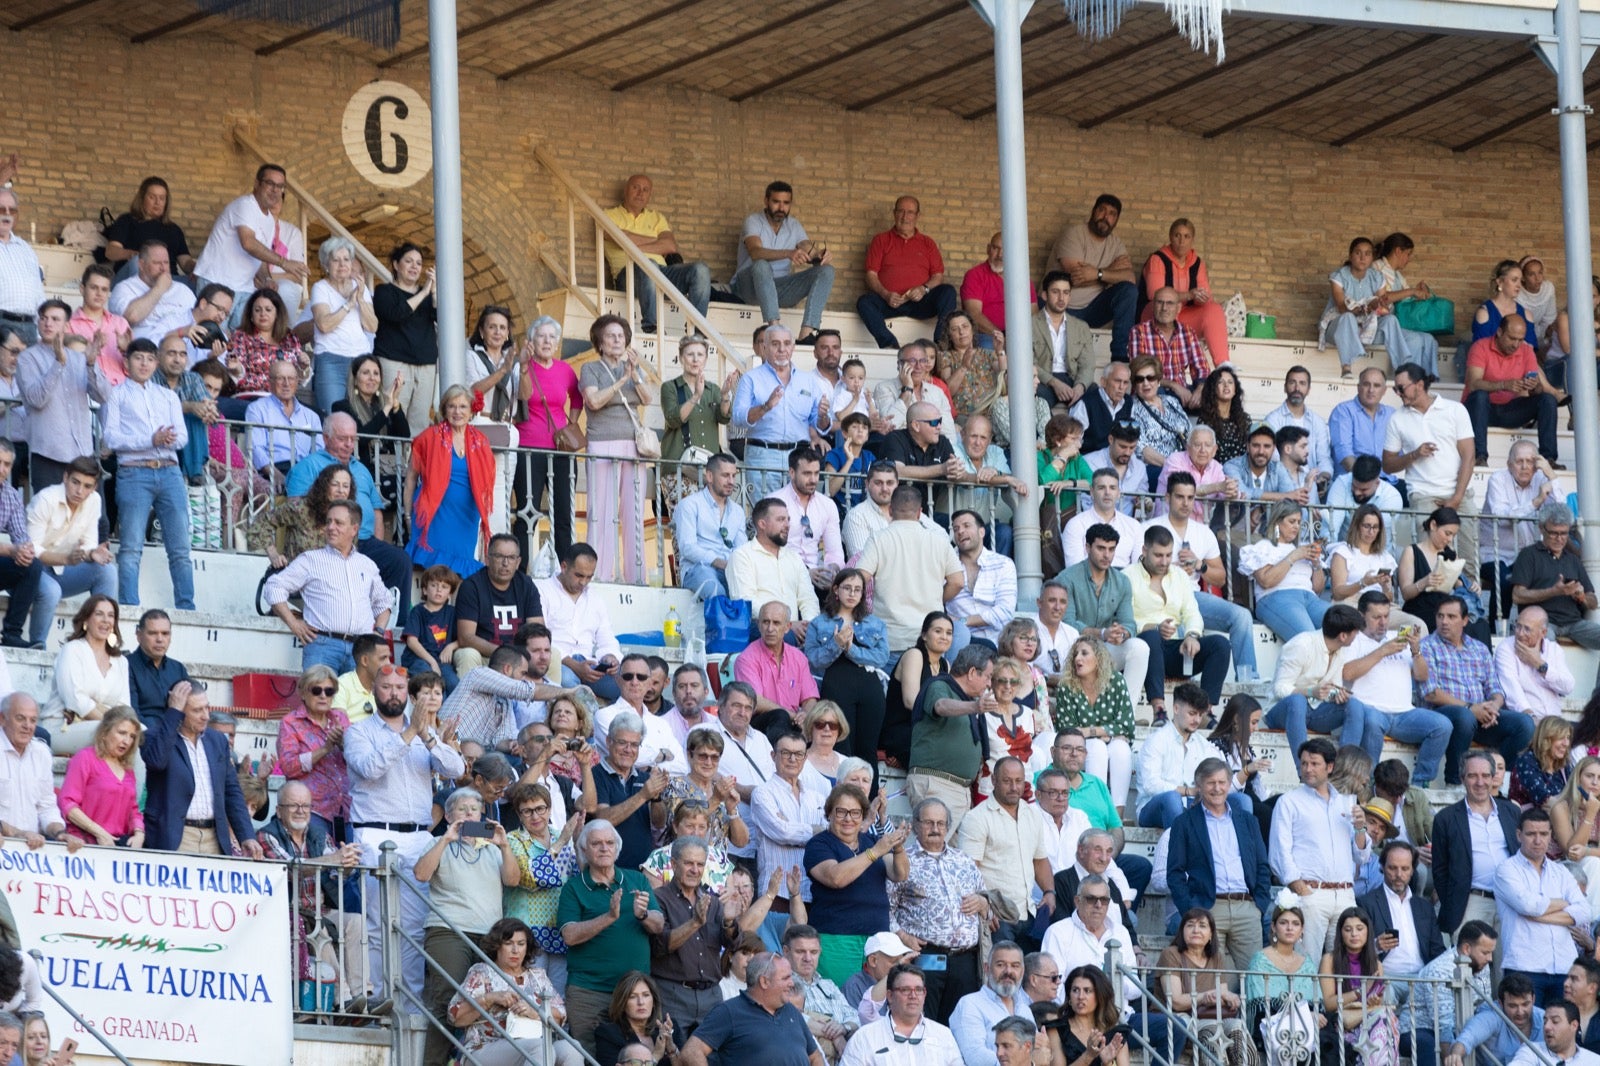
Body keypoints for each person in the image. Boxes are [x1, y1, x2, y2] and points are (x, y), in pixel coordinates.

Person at [345, 669, 464, 1001]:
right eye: (386, 687)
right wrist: (409, 733)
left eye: (400, 687)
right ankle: (379, 1002)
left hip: (417, 836)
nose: (394, 693)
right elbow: (369, 769)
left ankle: (409, 1008)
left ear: (408, 694)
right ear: (374, 691)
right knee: (377, 924)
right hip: (374, 833)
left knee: (413, 928)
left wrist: (427, 737)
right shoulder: (359, 732)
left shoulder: (424, 734)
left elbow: (456, 770)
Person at [416, 784, 520, 1066]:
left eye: (474, 810)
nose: (469, 814)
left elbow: (512, 880)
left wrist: (505, 844)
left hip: (489, 934)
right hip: (448, 930)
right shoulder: (440, 843)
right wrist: (445, 839)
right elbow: (421, 874)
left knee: (489, 1001)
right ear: (449, 817)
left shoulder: (493, 847)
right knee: (448, 999)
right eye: (462, 810)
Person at [557, 819, 664, 1054]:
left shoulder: (637, 879)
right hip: (588, 992)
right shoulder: (574, 888)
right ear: (584, 850)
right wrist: (608, 917)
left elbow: (658, 925)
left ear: (617, 848)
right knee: (589, 1057)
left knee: (636, 1055)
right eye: (596, 844)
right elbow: (570, 936)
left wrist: (643, 914)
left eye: (609, 843)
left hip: (633, 994)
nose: (604, 848)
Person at [104, 338, 193, 610]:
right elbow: (110, 438)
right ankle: (129, 605)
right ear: (127, 362)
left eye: (149, 359)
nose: (144, 364)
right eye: (138, 358)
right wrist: (150, 440)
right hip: (134, 473)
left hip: (169, 471)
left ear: (156, 363)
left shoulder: (168, 396)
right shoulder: (116, 395)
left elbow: (182, 437)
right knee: (131, 548)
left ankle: (187, 604)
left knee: (180, 549)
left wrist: (165, 440)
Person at [1269, 737, 1371, 963]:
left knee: (1347, 964)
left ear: (1330, 767)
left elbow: (1361, 855)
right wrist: (1301, 888)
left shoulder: (1348, 801)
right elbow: (1279, 852)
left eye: (1314, 763)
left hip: (1345, 893)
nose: (1308, 769)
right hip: (1311, 893)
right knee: (1307, 963)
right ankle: (1307, 1001)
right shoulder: (1289, 801)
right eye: (1304, 763)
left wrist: (1361, 828)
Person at [885, 797, 986, 1024]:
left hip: (965, 960)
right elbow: (887, 908)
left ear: (948, 827)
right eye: (928, 823)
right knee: (923, 1021)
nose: (935, 829)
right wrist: (902, 936)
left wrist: (982, 902)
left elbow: (985, 897)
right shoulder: (902, 860)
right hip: (926, 956)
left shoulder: (964, 860)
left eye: (941, 824)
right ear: (915, 825)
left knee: (961, 1023)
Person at [262, 499, 391, 672]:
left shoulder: (366, 564)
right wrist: (294, 624)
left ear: (354, 529)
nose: (331, 527)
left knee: (359, 700)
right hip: (322, 646)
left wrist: (379, 632)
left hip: (361, 649)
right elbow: (273, 587)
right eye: (329, 521)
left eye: (338, 523)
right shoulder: (311, 559)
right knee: (320, 699)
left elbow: (384, 602)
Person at [1167, 757, 1271, 970]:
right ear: (1199, 786)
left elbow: (1262, 865)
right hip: (1209, 909)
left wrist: (1259, 905)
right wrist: (1190, 910)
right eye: (1210, 783)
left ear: (1229, 783)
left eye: (1222, 782)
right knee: (1213, 983)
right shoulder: (1184, 822)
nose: (1217, 788)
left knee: (1255, 979)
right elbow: (1175, 873)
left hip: (1247, 908)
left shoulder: (1248, 821)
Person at [1420, 595, 1536, 784]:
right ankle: (1454, 781)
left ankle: (1496, 777)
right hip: (1445, 714)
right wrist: (1470, 708)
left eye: (1451, 616)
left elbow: (1495, 688)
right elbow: (1431, 692)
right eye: (1440, 616)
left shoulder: (1479, 648)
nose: (1444, 622)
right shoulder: (1427, 646)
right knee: (1464, 717)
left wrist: (1494, 707)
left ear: (1465, 620)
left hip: (1481, 715)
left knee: (1525, 724)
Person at [1341, 593, 1453, 787]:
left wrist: (1416, 651)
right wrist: (1382, 651)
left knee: (1443, 725)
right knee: (1373, 721)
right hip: (1370, 708)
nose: (1383, 622)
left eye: (1386, 616)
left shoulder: (1397, 638)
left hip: (1404, 714)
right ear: (1361, 615)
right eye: (1376, 617)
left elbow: (1422, 676)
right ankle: (1369, 783)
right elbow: (1348, 673)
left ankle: (1420, 784)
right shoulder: (1354, 639)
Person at [141, 679, 261, 857]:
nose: (206, 716)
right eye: (197, 710)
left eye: (207, 707)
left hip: (214, 837)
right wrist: (173, 713)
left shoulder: (218, 740)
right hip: (175, 837)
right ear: (179, 710)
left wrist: (247, 836)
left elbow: (231, 791)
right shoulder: (153, 736)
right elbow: (157, 761)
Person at [805, 784, 908, 985]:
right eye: (841, 812)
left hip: (877, 938)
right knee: (840, 999)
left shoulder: (871, 841)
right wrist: (875, 853)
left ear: (863, 816)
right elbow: (836, 878)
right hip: (837, 938)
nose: (848, 819)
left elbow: (900, 874)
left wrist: (898, 848)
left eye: (855, 813)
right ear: (829, 814)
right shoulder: (819, 844)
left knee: (877, 1002)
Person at [445, 916, 581, 1066]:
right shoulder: (482, 972)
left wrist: (534, 1011)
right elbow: (454, 1016)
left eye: (521, 944)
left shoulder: (537, 975)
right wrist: (489, 998)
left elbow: (561, 1015)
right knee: (539, 1048)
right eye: (508, 943)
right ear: (497, 946)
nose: (515, 950)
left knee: (572, 1048)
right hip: (486, 1047)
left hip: (535, 1042)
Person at [1384, 363, 1478, 574]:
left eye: (1401, 388)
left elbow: (1469, 456)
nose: (1398, 393)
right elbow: (1388, 465)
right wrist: (1414, 454)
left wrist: (1456, 498)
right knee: (1429, 562)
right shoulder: (1397, 418)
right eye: (1395, 389)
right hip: (1424, 495)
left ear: (1419, 384)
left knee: (1468, 559)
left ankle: (1469, 604)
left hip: (1459, 494)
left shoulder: (1455, 409)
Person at [1128, 525, 1231, 716]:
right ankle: (1159, 709)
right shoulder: (1127, 576)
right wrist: (1153, 627)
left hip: (1176, 650)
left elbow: (1192, 613)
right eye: (1158, 555)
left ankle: (1205, 712)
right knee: (1150, 638)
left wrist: (1192, 635)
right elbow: (1124, 621)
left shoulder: (1180, 576)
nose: (1165, 561)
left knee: (1220, 644)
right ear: (1144, 550)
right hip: (1144, 651)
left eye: (1168, 555)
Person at [1498, 808, 1590, 1005]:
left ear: (1551, 835)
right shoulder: (1506, 869)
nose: (1538, 840)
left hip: (1565, 967)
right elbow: (1527, 905)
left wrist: (1538, 914)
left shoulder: (1562, 872)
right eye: (1531, 834)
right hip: (1524, 966)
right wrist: (1564, 904)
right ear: (1518, 835)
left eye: (1543, 834)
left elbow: (1584, 911)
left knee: (1564, 1032)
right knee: (1526, 1033)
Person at [857, 484, 963, 653]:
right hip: (930, 638)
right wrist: (936, 597)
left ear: (891, 510)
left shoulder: (878, 539)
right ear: (920, 512)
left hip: (890, 638)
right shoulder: (939, 540)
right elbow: (957, 582)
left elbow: (859, 579)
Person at [19, 300, 110, 490]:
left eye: (54, 319)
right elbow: (36, 399)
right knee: (50, 517)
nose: (47, 323)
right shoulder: (27, 358)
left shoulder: (79, 358)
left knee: (96, 519)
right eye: (43, 318)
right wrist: (58, 363)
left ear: (66, 325)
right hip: (48, 454)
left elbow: (102, 396)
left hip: (83, 453)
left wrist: (92, 364)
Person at [405, 383, 494, 577]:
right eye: (452, 406)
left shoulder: (481, 441)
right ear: (444, 409)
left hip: (466, 516)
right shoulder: (428, 437)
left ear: (471, 411)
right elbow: (411, 477)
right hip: (435, 514)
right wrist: (407, 515)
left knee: (459, 574)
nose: (457, 411)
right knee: (432, 572)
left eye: (462, 406)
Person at [604, 174, 711, 334]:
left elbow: (670, 246)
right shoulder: (609, 215)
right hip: (627, 275)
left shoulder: (657, 218)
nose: (640, 193)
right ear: (626, 190)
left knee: (701, 269)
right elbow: (617, 238)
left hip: (661, 273)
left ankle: (697, 332)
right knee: (649, 264)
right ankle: (651, 327)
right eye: (636, 187)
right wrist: (654, 241)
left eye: (645, 190)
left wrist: (630, 242)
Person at [803, 568, 889, 766]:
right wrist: (836, 645)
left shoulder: (875, 623)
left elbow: (881, 657)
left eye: (857, 589)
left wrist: (850, 649)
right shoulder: (819, 623)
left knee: (868, 751)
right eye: (847, 588)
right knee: (841, 749)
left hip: (870, 688)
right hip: (837, 686)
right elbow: (813, 660)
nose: (852, 594)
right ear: (836, 590)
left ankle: (870, 797)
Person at [732, 323, 830, 496]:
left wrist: (823, 416)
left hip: (799, 457)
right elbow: (738, 417)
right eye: (775, 344)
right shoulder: (751, 378)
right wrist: (765, 407)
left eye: (786, 343)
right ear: (764, 347)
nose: (782, 349)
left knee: (799, 513)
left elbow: (820, 424)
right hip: (763, 456)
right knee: (765, 514)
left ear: (793, 347)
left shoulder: (807, 380)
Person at [731, 181, 835, 343]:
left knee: (827, 271)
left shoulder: (793, 225)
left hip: (780, 290)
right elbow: (755, 252)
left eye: (786, 203)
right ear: (766, 201)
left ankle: (806, 334)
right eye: (776, 202)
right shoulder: (753, 221)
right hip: (750, 288)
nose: (781, 208)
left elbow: (806, 246)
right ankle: (775, 329)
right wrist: (788, 253)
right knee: (761, 265)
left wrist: (818, 255)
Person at [679, 952, 825, 1066]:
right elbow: (691, 1052)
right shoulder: (729, 1012)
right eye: (785, 978)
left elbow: (815, 1056)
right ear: (764, 982)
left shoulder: (791, 1011)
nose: (792, 983)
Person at [512, 316, 579, 554]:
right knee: (527, 511)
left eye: (552, 336)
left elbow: (577, 397)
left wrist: (571, 423)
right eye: (541, 336)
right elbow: (523, 395)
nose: (547, 341)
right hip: (529, 448)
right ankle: (521, 568)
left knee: (563, 513)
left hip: (561, 450)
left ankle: (564, 565)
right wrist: (523, 365)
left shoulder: (565, 370)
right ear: (532, 340)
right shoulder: (523, 367)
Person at [856, 196, 958, 349]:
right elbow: (871, 275)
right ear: (894, 213)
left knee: (948, 292)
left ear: (917, 216)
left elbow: (938, 276)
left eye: (910, 212)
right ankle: (890, 344)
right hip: (890, 301)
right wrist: (886, 294)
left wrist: (924, 289)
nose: (905, 217)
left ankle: (940, 344)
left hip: (920, 302)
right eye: (901, 211)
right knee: (864, 302)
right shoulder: (881, 240)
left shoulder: (927, 243)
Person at [1155, 909, 1253, 1066]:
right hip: (1177, 1018)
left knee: (1237, 1026)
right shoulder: (1170, 954)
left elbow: (1222, 994)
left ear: (1211, 934)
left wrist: (1230, 998)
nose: (1196, 930)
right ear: (1182, 931)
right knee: (1212, 1030)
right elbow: (1176, 1002)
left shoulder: (1216, 957)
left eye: (1202, 926)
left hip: (1208, 1015)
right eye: (1190, 925)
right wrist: (1206, 996)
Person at [1134, 684, 1240, 828]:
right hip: (1154, 807)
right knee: (1172, 799)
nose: (1197, 720)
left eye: (1200, 715)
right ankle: (1181, 848)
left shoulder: (1203, 745)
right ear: (1176, 709)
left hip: (1193, 805)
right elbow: (1150, 785)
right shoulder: (1157, 740)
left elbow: (1222, 776)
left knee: (1241, 800)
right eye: (1192, 713)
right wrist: (1186, 791)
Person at [1465, 313, 1564, 467]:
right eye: (1512, 338)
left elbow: (1536, 389)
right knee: (1479, 396)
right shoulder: (1480, 347)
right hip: (1482, 410)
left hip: (1511, 409)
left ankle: (1548, 459)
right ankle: (1479, 457)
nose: (1516, 344)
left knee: (1547, 399)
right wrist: (1503, 385)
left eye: (1520, 339)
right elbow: (1473, 384)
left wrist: (1533, 387)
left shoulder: (1526, 351)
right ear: (1499, 332)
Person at [1051, 193, 1137, 362]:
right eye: (1102, 210)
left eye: (1112, 214)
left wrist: (1098, 273)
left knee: (1129, 291)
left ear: (1117, 220)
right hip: (1063, 308)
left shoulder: (1116, 244)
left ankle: (1120, 357)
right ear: (1093, 211)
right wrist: (1111, 273)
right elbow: (1074, 278)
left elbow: (1130, 278)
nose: (1106, 217)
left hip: (1093, 310)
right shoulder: (1074, 234)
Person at [41, 595, 130, 755]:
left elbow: (124, 707)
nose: (106, 620)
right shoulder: (73, 650)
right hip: (63, 728)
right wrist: (112, 722)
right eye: (99, 614)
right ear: (86, 620)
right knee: (119, 736)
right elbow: (75, 700)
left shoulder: (121, 661)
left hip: (105, 729)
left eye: (111, 615)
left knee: (141, 731)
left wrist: (106, 715)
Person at [1321, 236, 1418, 378]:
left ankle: (1402, 369)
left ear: (1372, 257)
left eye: (1367, 254)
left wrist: (1378, 305)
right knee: (1348, 317)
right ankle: (1346, 367)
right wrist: (1362, 309)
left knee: (1390, 320)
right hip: (1338, 329)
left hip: (1366, 330)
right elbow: (1342, 308)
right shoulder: (1339, 276)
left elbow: (1383, 306)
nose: (1362, 257)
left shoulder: (1376, 277)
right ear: (1350, 255)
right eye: (1358, 253)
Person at [1512, 501, 1600, 657]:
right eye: (1554, 533)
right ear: (1542, 529)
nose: (1560, 539)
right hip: (1543, 622)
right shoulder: (1529, 555)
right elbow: (1517, 595)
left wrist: (1581, 597)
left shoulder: (1573, 560)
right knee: (1548, 647)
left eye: (1564, 533)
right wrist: (1554, 591)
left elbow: (1594, 602)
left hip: (1574, 623)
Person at [1356, 839, 1444, 989]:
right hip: (1385, 979)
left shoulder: (1424, 907)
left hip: (1422, 980)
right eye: (1392, 868)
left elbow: (1437, 951)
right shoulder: (1366, 903)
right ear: (1382, 867)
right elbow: (1353, 950)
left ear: (1412, 870)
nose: (1399, 874)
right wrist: (1376, 946)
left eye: (1405, 868)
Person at [1318, 908, 1400, 1066]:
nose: (1354, 934)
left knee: (1386, 1016)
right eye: (1348, 929)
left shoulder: (1376, 964)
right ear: (1341, 933)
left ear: (1368, 932)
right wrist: (1359, 992)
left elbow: (1378, 1002)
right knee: (1384, 1022)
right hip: (1342, 1024)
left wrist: (1373, 1000)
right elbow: (1328, 1004)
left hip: (1369, 1021)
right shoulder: (1329, 960)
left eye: (1359, 929)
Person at [1141, 217, 1229, 364]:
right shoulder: (1158, 259)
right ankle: (1166, 364)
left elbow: (1206, 295)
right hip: (1157, 315)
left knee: (1214, 309)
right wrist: (1189, 294)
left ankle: (1224, 366)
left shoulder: (1197, 262)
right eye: (1177, 236)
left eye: (1186, 236)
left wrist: (1200, 297)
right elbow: (1154, 294)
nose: (1182, 241)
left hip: (1185, 316)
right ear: (1170, 237)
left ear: (1192, 239)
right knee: (1163, 306)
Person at [457, 533, 546, 676]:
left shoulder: (526, 585)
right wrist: (504, 654)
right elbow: (465, 637)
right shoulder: (472, 586)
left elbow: (538, 631)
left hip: (520, 656)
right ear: (487, 559)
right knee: (467, 654)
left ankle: (549, 698)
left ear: (518, 562)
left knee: (551, 656)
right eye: (499, 556)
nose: (505, 563)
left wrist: (520, 656)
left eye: (511, 558)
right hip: (486, 655)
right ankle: (469, 699)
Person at [1409, 922, 1497, 1066]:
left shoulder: (1481, 964)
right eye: (1485, 953)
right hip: (1421, 1027)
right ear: (1466, 948)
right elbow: (1443, 1024)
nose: (1490, 959)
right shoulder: (1440, 970)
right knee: (1427, 1044)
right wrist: (1452, 1059)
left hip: (1461, 1025)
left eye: (1491, 952)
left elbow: (1484, 1007)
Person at [1239, 500, 1329, 641]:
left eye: (1299, 522)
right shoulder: (1264, 547)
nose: (1296, 526)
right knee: (1309, 639)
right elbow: (1266, 581)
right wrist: (1293, 557)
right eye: (1291, 521)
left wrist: (1316, 563)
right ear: (1277, 522)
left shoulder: (1301, 548)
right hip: (1277, 597)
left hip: (1310, 598)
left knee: (1342, 626)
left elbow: (1318, 588)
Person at [372, 242, 438, 433]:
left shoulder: (428, 295)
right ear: (395, 265)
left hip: (425, 363)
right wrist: (424, 292)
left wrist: (433, 295)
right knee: (393, 413)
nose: (414, 267)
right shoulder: (384, 291)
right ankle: (392, 462)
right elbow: (396, 314)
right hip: (394, 361)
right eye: (408, 261)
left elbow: (441, 319)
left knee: (420, 420)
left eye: (418, 263)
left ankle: (415, 462)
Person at [882, 611, 954, 771]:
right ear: (924, 635)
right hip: (903, 730)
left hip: (927, 730)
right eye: (938, 631)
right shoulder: (914, 655)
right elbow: (910, 701)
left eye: (949, 633)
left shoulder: (945, 665)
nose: (944, 636)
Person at [949, 942, 1032, 1066]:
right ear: (987, 968)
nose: (1008, 971)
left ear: (1022, 971)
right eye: (1000, 965)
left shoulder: (1025, 1009)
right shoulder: (970, 1004)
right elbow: (975, 1057)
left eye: (1015, 966)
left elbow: (1035, 1051)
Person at [773, 445, 844, 588]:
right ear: (792, 473)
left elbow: (834, 551)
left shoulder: (827, 505)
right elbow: (770, 552)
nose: (813, 480)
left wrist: (832, 569)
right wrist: (805, 573)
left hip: (817, 577)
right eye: (806, 474)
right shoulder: (774, 502)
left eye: (816, 473)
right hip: (782, 576)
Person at [245, 360, 321, 487]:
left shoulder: (311, 416)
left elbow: (319, 451)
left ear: (297, 381)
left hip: (307, 473)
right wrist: (274, 474)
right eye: (280, 378)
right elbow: (255, 448)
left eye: (291, 378)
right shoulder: (257, 409)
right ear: (270, 382)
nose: (286, 383)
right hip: (275, 470)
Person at [0, 694, 64, 846]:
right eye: (20, 718)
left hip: (30, 854)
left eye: (33, 720)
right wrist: (17, 833)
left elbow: (46, 806)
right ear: (2, 719)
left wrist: (60, 833)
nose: (27, 726)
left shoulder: (41, 753)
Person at [1132, 287, 1211, 409]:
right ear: (1153, 306)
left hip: (1181, 393)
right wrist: (1173, 385)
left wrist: (1200, 389)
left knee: (1212, 393)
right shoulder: (1139, 332)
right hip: (1152, 389)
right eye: (1160, 302)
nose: (1164, 308)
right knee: (1160, 395)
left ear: (1178, 308)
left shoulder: (1187, 332)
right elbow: (1141, 373)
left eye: (1170, 303)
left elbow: (1202, 368)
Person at [1447, 973, 1545, 1066]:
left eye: (1525, 1004)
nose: (1520, 1012)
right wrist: (1456, 1055)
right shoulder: (1492, 1016)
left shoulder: (1544, 1018)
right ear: (1501, 1003)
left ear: (1533, 999)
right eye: (1512, 1006)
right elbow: (1467, 1038)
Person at [1498, 604, 1575, 721]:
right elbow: (1512, 692)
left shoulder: (1554, 649)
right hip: (1525, 721)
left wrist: (1539, 664)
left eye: (1527, 629)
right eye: (1518, 626)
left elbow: (1567, 687)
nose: (1520, 633)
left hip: (1554, 722)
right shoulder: (1506, 648)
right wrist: (1532, 718)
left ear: (1543, 632)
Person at [1032, 271, 1096, 410]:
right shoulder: (1030, 324)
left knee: (1094, 394)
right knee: (1034, 397)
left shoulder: (1081, 327)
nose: (1061, 298)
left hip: (1072, 378)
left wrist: (1080, 387)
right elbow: (1029, 363)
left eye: (1066, 292)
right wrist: (1054, 383)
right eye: (1055, 292)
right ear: (1044, 295)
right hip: (1043, 380)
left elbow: (1088, 364)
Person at [1060, 471, 1141, 571]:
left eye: (1112, 488)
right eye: (1101, 488)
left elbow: (1138, 569)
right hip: (1088, 584)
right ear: (1092, 492)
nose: (1107, 492)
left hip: (1125, 584)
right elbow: (1075, 570)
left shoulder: (1134, 526)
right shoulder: (1076, 524)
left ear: (1119, 493)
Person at [594, 972, 680, 1066]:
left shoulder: (669, 1029)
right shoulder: (608, 1034)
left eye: (646, 995)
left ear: (654, 1001)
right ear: (622, 1003)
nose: (641, 1002)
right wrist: (655, 1056)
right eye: (632, 997)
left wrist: (672, 1050)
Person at [1511, 715, 1574, 810]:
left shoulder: (1564, 765)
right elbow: (1544, 799)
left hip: (1559, 818)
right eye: (1561, 738)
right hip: (1531, 821)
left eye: (1568, 737)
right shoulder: (1527, 760)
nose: (1566, 743)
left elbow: (1577, 792)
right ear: (1546, 738)